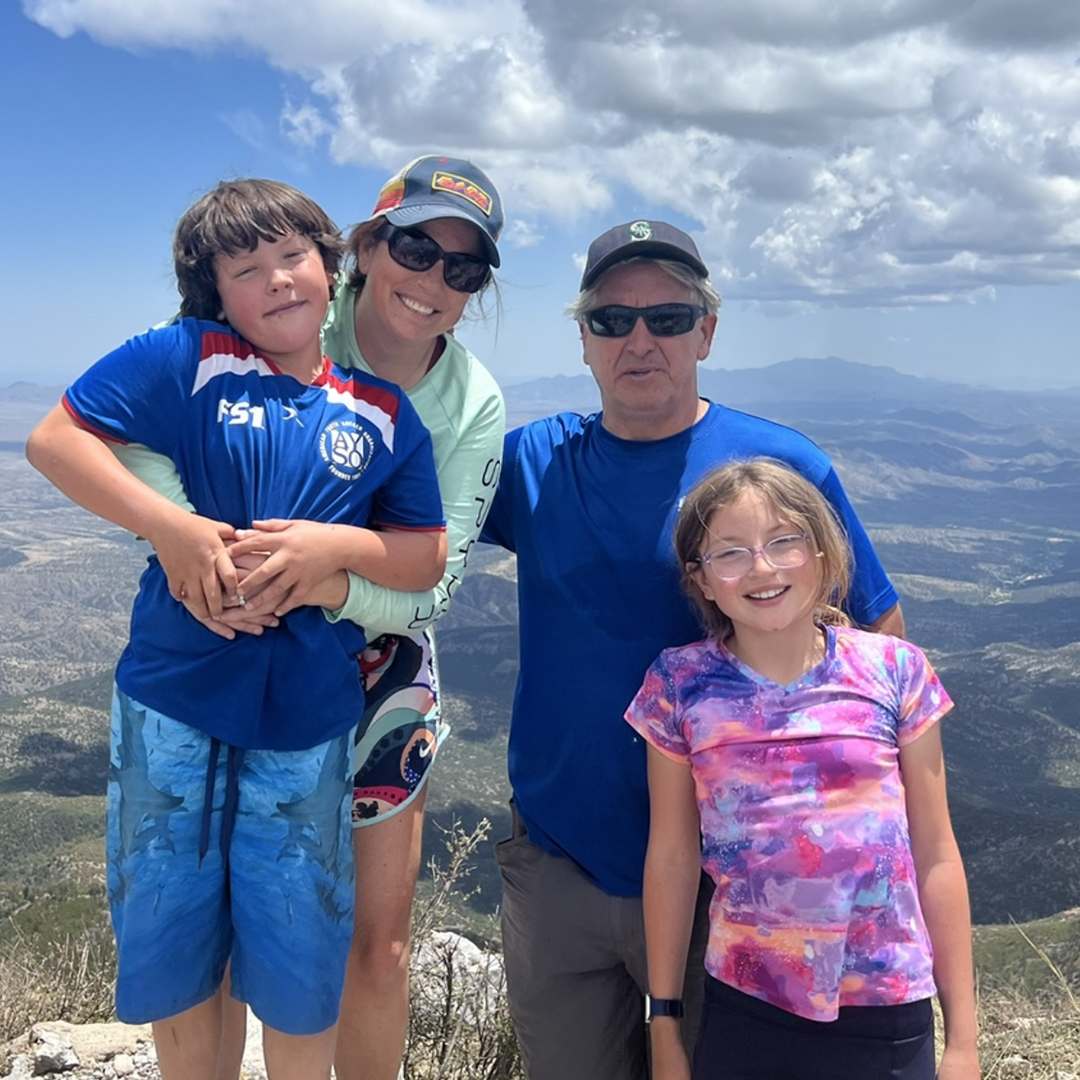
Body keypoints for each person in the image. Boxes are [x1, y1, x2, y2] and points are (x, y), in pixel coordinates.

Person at [25, 179, 449, 1080]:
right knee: (176, 942)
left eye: (293, 256)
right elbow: (55, 440)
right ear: (215, 291)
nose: (277, 281)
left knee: (299, 948)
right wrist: (170, 529)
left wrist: (337, 545)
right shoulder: (186, 358)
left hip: (306, 711)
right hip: (172, 698)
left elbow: (421, 557)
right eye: (246, 268)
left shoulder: (381, 412)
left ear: (330, 267)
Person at [107, 155, 506, 1080]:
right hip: (228, 634)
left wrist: (323, 576)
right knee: (222, 922)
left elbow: (435, 580)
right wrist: (191, 541)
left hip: (377, 659)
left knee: (372, 943)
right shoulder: (282, 299)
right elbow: (152, 431)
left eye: (465, 268)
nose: (433, 279)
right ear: (363, 248)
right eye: (415, 246)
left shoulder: (469, 402)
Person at [480, 220, 906, 1080]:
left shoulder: (780, 464)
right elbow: (404, 517)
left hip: (734, 882)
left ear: (706, 331)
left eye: (668, 318)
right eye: (612, 320)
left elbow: (877, 644)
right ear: (584, 338)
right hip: (559, 864)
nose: (640, 340)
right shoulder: (529, 463)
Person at [627, 458, 979, 1080]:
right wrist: (665, 1025)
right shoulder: (678, 685)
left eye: (783, 542)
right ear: (701, 580)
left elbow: (936, 853)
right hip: (748, 1011)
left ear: (821, 554)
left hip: (890, 1006)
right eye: (729, 553)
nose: (761, 568)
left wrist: (963, 1043)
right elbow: (673, 859)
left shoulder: (896, 671)